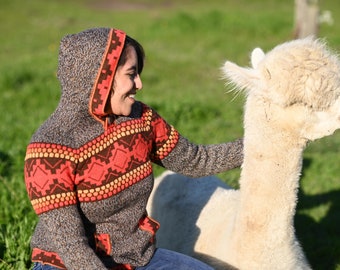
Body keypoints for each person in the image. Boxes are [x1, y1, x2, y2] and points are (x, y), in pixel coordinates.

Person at [24, 27, 243, 270]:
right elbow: (73, 248)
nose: (139, 83)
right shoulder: (49, 150)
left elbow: (196, 160)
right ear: (100, 79)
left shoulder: (141, 120)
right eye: (131, 74)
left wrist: (265, 142)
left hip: (135, 259)